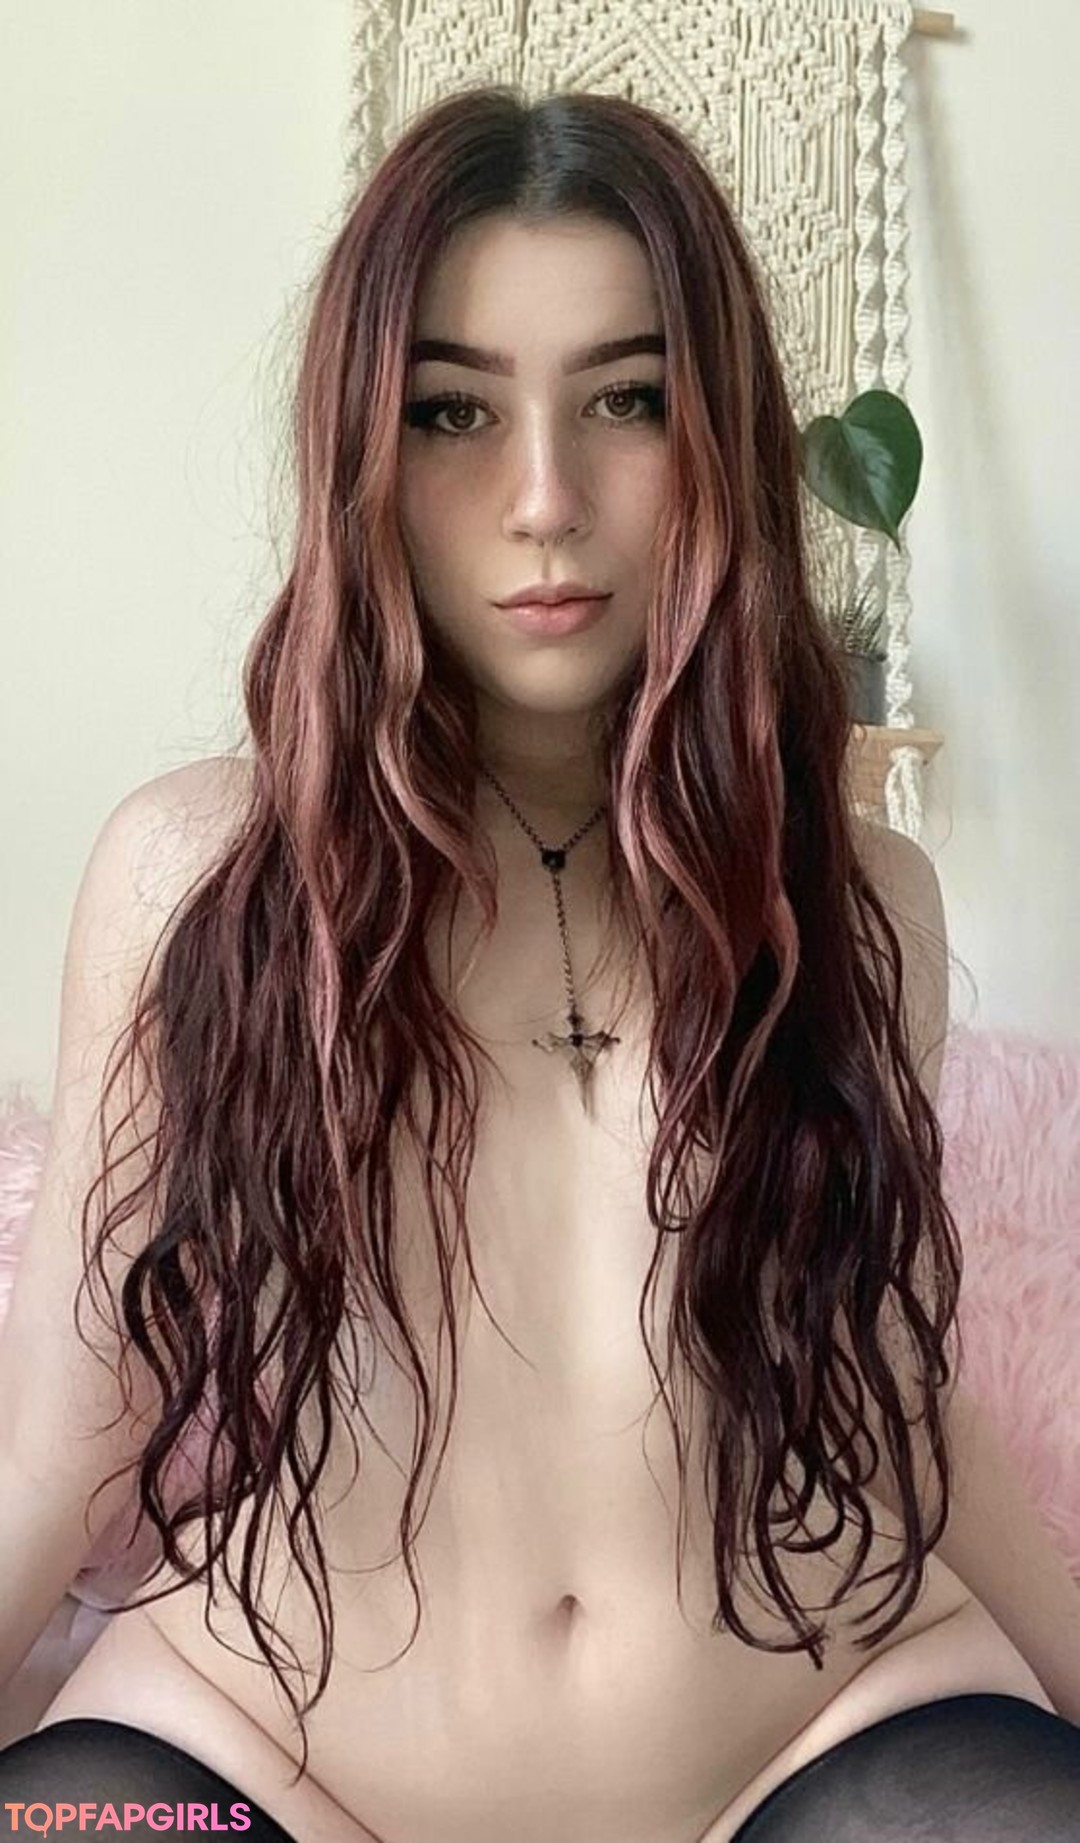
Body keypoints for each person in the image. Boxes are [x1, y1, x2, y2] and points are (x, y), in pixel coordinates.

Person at [2, 83, 1079, 1843]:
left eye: (626, 400)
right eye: (454, 411)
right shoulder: (195, 876)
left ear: (717, 433)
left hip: (817, 1731)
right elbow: (68, 1422)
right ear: (361, 448)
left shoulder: (857, 899)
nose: (545, 500)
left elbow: (897, 1380)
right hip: (263, 1752)